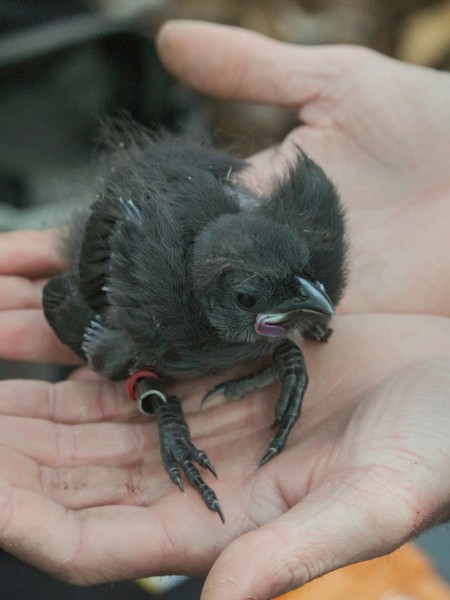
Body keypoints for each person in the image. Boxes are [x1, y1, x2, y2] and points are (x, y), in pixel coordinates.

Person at [0, 19, 449, 600]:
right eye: (251, 300)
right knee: (108, 350)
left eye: (305, 284)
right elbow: (78, 296)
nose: (313, 298)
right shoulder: (155, 313)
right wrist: (164, 410)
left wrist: (287, 333)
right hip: (135, 282)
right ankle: (153, 391)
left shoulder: (300, 268)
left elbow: (289, 285)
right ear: (215, 299)